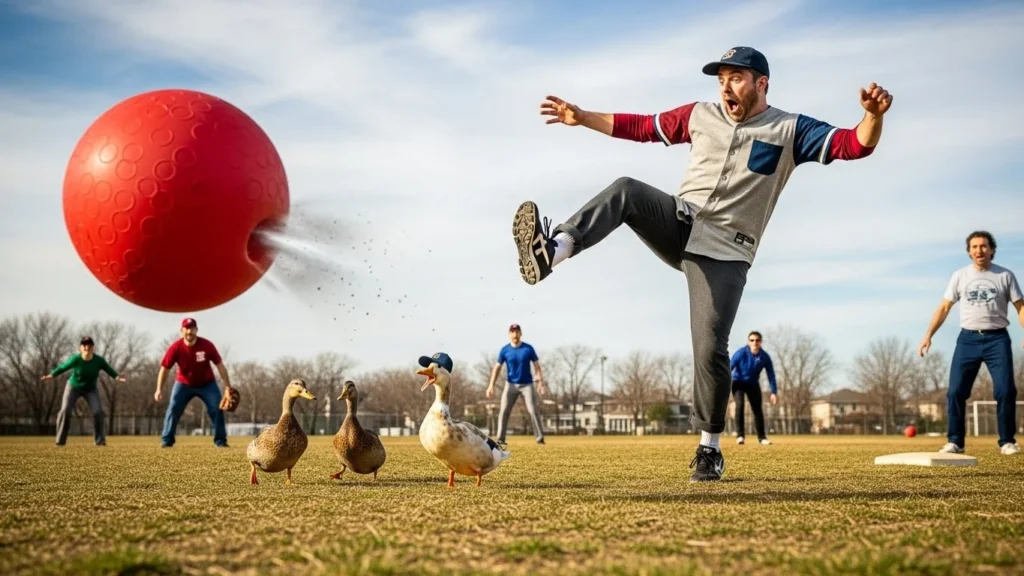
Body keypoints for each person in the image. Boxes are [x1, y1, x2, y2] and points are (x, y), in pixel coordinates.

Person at [512, 46, 891, 481]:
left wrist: (873, 116)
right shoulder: (699, 115)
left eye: (736, 77)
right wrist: (583, 117)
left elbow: (853, 145)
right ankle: (553, 252)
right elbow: (641, 127)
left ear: (761, 83)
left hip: (727, 251)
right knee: (626, 190)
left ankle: (709, 448)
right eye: (721, 78)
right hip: (681, 222)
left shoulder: (790, 129)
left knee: (710, 346)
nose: (726, 86)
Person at [919, 231, 1023, 456]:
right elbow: (944, 307)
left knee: (1006, 390)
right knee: (955, 391)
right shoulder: (960, 276)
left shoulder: (1005, 276)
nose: (979, 250)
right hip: (967, 340)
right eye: (974, 247)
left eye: (984, 246)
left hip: (997, 339)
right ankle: (955, 441)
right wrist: (929, 335)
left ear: (992, 249)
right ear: (969, 251)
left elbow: (1020, 307)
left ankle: (1007, 441)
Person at [155, 317, 235, 448]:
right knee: (173, 407)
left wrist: (228, 386)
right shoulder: (176, 347)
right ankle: (167, 440)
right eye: (186, 328)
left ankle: (221, 441)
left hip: (207, 384)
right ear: (182, 331)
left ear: (196, 330)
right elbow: (164, 369)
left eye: (192, 328)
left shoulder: (207, 345)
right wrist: (159, 389)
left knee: (217, 408)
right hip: (183, 383)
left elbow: (220, 365)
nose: (189, 332)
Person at [42, 335, 127, 446]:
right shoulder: (75, 359)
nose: (87, 347)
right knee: (65, 411)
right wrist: (52, 375)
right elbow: (63, 367)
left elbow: (108, 369)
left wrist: (117, 377)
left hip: (91, 389)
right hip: (73, 387)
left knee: (98, 412)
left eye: (89, 345)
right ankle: (60, 441)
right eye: (84, 345)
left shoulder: (98, 360)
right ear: (80, 348)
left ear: (93, 348)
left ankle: (100, 441)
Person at [486, 323, 547, 447]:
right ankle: (501, 439)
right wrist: (491, 385)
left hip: (527, 384)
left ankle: (540, 438)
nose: (515, 334)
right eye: (512, 332)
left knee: (533, 410)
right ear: (509, 334)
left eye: (517, 331)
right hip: (510, 385)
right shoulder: (505, 350)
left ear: (520, 333)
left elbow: (537, 366)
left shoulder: (528, 349)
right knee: (504, 411)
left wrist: (541, 383)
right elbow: (497, 368)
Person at [730, 330, 778, 446]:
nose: (754, 343)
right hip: (738, 383)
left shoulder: (764, 357)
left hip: (753, 384)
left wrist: (773, 392)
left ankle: (762, 438)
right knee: (740, 406)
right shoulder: (741, 353)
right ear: (748, 342)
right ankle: (740, 436)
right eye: (752, 340)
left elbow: (771, 374)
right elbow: (729, 368)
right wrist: (724, 386)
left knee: (757, 410)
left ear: (760, 342)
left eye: (757, 340)